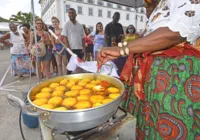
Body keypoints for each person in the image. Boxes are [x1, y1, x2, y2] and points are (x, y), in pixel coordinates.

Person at [98, 0, 200, 139]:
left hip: (175, 80)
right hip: (152, 81)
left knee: (170, 128)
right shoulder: (162, 4)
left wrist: (122, 49)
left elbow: (175, 32)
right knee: (146, 126)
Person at [61, 8, 85, 73]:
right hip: (71, 49)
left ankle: (79, 79)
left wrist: (84, 48)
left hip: (79, 49)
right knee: (71, 67)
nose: (71, 14)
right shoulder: (66, 25)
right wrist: (68, 49)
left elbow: (83, 37)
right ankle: (68, 80)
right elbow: (65, 37)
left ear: (76, 14)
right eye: (69, 13)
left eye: (72, 13)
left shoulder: (80, 25)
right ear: (68, 14)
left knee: (80, 66)